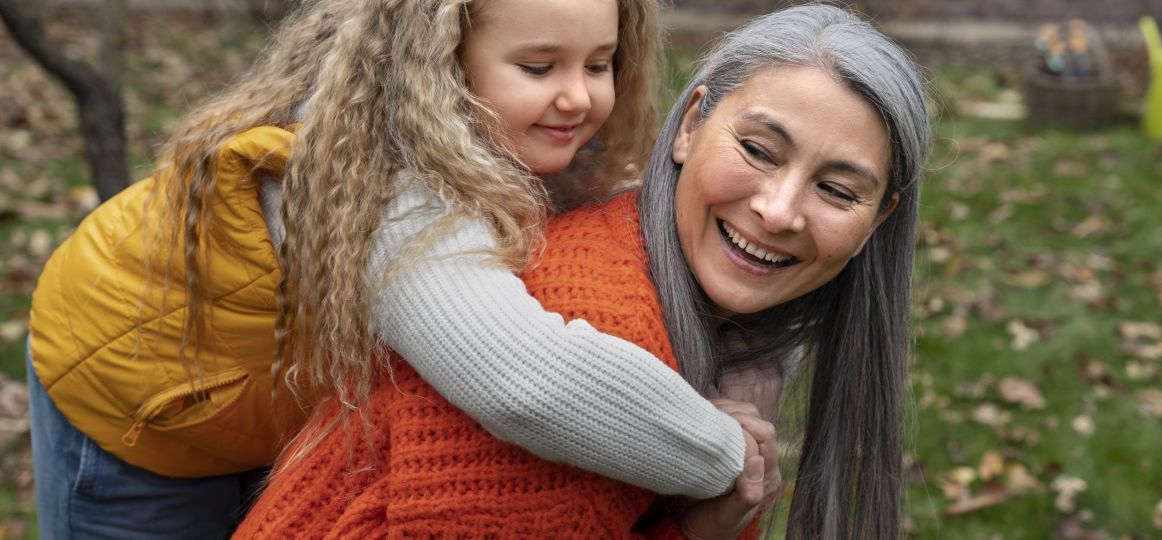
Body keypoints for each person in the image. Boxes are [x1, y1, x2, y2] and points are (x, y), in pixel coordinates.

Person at [25, 0, 767, 538]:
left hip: (252, 391)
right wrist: (720, 454)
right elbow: (528, 381)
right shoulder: (385, 191)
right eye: (539, 66)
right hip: (135, 396)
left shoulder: (499, 135)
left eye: (600, 64)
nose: (578, 94)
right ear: (438, 63)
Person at [237, 3, 931, 538]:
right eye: (758, 149)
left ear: (881, 217)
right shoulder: (599, 325)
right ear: (688, 126)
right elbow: (522, 382)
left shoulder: (707, 314)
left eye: (838, 190)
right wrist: (724, 458)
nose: (780, 211)